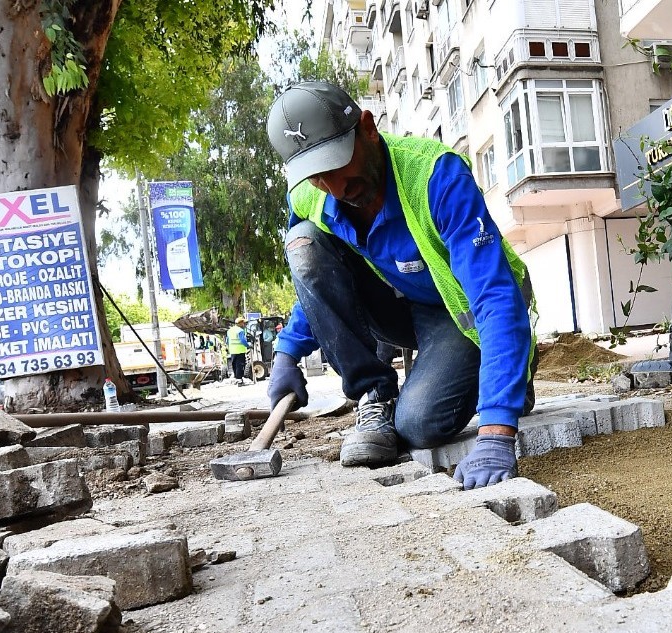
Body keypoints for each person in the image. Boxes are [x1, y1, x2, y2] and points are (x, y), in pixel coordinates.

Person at [264, 81, 536, 489]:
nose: (337, 188)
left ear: (368, 128)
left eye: (338, 164)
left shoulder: (436, 176)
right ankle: (373, 396)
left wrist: (497, 429)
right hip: (400, 306)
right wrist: (287, 353)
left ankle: (510, 372)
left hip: (461, 312)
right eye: (319, 176)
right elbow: (323, 279)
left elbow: (493, 296)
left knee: (419, 424)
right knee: (303, 242)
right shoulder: (309, 198)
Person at [226, 316, 250, 384]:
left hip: (232, 350)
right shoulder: (240, 330)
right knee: (240, 365)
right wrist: (248, 345)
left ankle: (236, 378)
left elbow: (227, 341)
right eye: (244, 323)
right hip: (240, 350)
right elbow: (242, 340)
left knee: (234, 365)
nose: (244, 324)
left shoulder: (229, 330)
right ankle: (239, 379)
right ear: (240, 323)